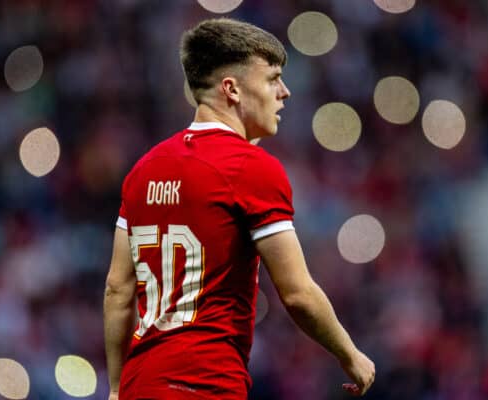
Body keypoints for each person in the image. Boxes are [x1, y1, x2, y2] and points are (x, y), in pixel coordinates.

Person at [103, 17, 375, 400]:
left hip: (141, 385)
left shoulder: (142, 171)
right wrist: (351, 355)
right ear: (232, 89)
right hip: (207, 384)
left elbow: (118, 289)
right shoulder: (250, 169)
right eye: (272, 78)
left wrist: (116, 387)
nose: (285, 92)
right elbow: (297, 293)